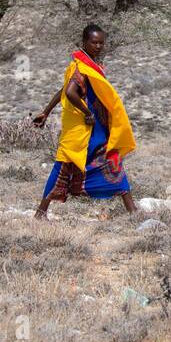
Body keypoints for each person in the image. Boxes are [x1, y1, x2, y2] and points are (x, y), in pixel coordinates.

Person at [31, 24, 137, 219]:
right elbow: (70, 92)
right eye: (93, 42)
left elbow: (64, 89)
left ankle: (133, 212)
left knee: (112, 162)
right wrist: (87, 112)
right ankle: (40, 212)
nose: (98, 46)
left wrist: (46, 112)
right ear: (84, 42)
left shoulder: (87, 65)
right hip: (84, 129)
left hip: (95, 130)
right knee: (64, 166)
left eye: (101, 43)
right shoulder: (81, 66)